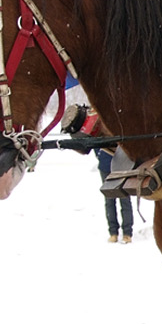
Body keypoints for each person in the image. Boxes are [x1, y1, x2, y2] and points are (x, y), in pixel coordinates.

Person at [62, 103, 134, 244]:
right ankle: (113, 232)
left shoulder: (115, 121)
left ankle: (127, 233)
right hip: (105, 165)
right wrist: (101, 155)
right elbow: (93, 144)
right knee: (109, 199)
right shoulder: (97, 122)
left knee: (124, 198)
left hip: (122, 164)